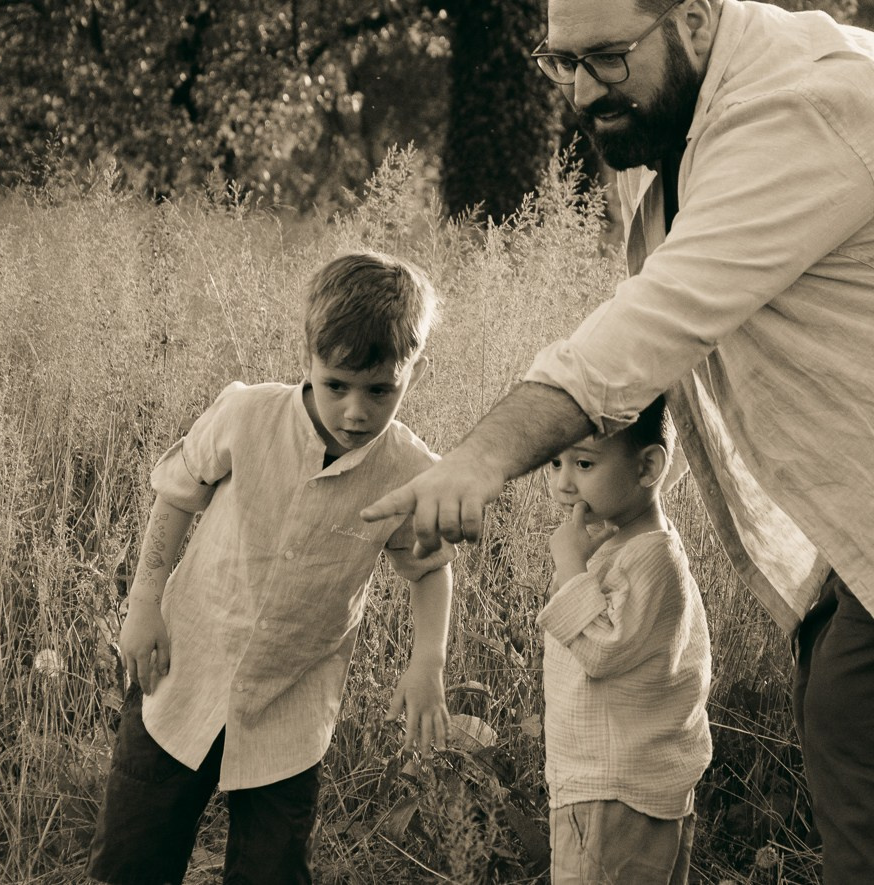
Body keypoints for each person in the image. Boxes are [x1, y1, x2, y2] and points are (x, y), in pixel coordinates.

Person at [361, 1, 874, 881]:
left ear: (696, 19)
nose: (581, 91)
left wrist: (483, 459)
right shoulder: (666, 113)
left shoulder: (802, 107)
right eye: (559, 63)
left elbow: (649, 326)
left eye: (605, 57)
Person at [88, 252, 456, 885]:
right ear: (307, 356)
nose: (355, 413)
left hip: (293, 700)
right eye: (336, 384)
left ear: (412, 374)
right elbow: (177, 494)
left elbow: (428, 571)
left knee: (272, 870)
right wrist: (144, 605)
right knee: (133, 855)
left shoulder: (411, 469)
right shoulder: (247, 414)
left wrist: (428, 662)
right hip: (182, 673)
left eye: (380, 391)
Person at [538, 396, 711, 884]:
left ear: (648, 466)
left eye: (584, 462)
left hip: (613, 790)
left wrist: (571, 565)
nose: (562, 482)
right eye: (555, 462)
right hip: (626, 787)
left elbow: (600, 650)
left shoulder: (651, 559)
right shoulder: (629, 545)